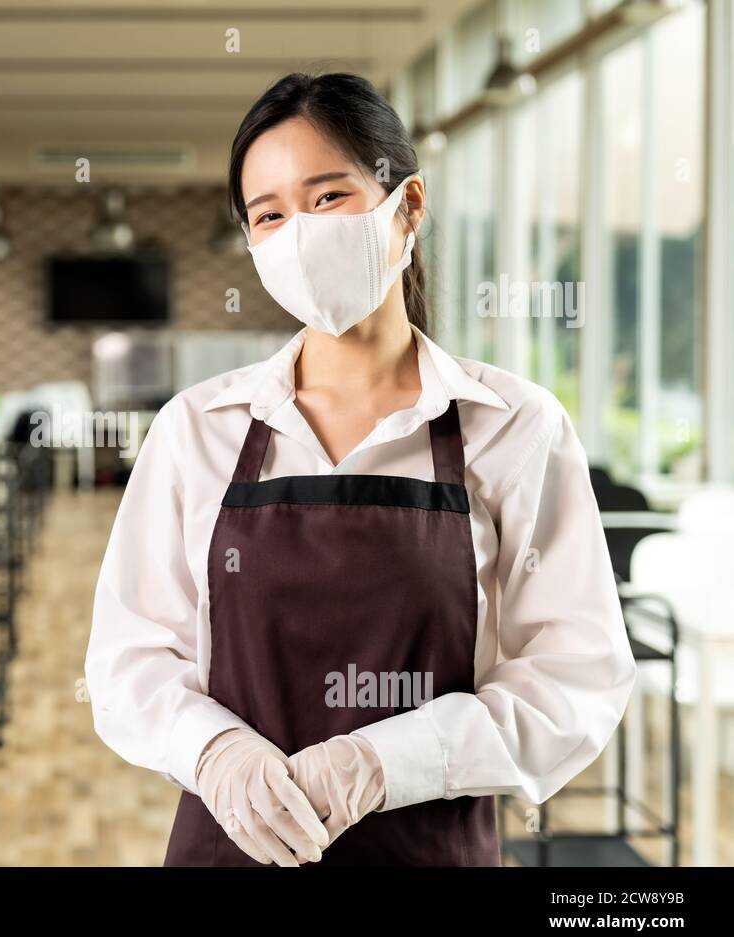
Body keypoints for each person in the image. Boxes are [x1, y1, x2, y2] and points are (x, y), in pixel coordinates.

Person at [84, 73, 636, 868]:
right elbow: (129, 657)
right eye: (268, 214)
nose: (299, 233)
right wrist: (216, 755)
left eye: (329, 197)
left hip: (429, 849)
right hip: (231, 849)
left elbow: (573, 678)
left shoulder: (514, 426)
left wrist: (382, 765)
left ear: (408, 205)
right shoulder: (197, 430)